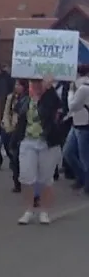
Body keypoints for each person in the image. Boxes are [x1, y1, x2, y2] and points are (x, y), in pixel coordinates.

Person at [14, 76, 62, 225]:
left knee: (45, 179)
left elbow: (55, 105)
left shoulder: (50, 99)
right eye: (32, 83)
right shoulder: (24, 100)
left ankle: (44, 211)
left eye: (38, 82)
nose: (35, 86)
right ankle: (29, 210)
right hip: (28, 141)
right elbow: (18, 116)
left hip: (47, 143)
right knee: (26, 177)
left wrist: (50, 89)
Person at [63, 65, 89, 194]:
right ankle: (83, 178)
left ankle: (86, 183)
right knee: (68, 152)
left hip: (83, 125)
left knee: (84, 157)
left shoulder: (83, 88)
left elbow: (72, 105)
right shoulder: (82, 86)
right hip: (76, 123)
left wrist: (71, 92)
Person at [3, 79, 28, 192]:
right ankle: (17, 181)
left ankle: (19, 182)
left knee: (18, 157)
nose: (16, 86)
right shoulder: (11, 97)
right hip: (12, 129)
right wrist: (8, 127)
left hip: (22, 131)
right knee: (13, 155)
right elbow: (6, 112)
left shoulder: (27, 98)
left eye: (19, 84)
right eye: (16, 84)